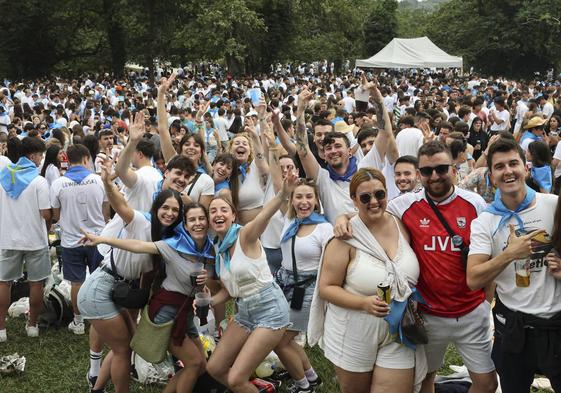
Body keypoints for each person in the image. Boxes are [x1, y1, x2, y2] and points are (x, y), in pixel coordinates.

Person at [386, 141, 497, 393]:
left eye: (441, 168)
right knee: (426, 380)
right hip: (429, 316)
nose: (434, 176)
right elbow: (367, 212)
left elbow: (489, 257)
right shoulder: (403, 206)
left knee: (488, 384)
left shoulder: (476, 204)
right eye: (426, 171)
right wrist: (341, 218)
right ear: (418, 175)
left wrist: (484, 302)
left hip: (472, 313)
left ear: (454, 169)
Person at [81, 199, 214, 393]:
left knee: (201, 364)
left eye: (202, 218)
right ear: (185, 225)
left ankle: (98, 387)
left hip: (184, 312)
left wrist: (205, 287)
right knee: (193, 364)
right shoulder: (173, 245)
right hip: (167, 313)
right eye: (192, 219)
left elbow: (201, 279)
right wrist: (102, 239)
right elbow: (137, 245)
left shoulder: (207, 247)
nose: (198, 223)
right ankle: (97, 385)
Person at [311, 168, 420, 393]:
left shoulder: (400, 223)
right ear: (353, 200)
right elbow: (326, 288)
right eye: (365, 197)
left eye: (379, 194)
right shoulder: (345, 238)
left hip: (398, 328)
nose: (374, 201)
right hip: (354, 331)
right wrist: (364, 303)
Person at [467, 137, 561, 393]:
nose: (508, 171)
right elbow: (473, 278)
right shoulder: (485, 221)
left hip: (555, 324)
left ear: (525, 168)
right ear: (492, 176)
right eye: (499, 167)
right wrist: (509, 254)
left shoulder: (553, 206)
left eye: (513, 163)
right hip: (513, 329)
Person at [77, 163, 173, 393]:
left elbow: (147, 276)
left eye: (174, 210)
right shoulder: (141, 220)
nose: (169, 213)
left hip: (117, 288)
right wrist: (107, 183)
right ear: (156, 208)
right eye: (165, 208)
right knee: (122, 349)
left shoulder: (166, 239)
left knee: (126, 345)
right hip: (99, 288)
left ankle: (97, 388)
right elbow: (120, 205)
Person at [205, 174, 297, 393]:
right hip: (244, 311)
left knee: (236, 378)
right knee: (214, 368)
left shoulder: (244, 235)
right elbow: (229, 291)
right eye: (213, 211)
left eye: (223, 210)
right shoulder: (220, 249)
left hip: (270, 310)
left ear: (233, 216)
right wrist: (209, 301)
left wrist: (283, 194)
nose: (218, 214)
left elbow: (263, 217)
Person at [274, 178, 332, 392]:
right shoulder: (290, 220)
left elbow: (332, 265)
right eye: (299, 196)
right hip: (283, 284)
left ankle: (303, 386)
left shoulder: (324, 228)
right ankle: (311, 377)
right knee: (287, 340)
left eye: (309, 196)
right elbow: (275, 182)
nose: (304, 201)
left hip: (306, 290)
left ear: (316, 200)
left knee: (280, 341)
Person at [50, 144, 110, 335]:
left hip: (71, 241)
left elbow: (56, 215)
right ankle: (101, 318)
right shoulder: (98, 180)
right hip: (97, 239)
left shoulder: (58, 183)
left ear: (67, 159)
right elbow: (106, 211)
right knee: (100, 280)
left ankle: (78, 321)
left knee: (77, 283)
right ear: (86, 159)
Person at [0, 137, 51, 342]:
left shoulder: (3, 178)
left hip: (7, 238)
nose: (41, 160)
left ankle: (1, 328)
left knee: (4, 283)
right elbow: (46, 214)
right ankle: (32, 325)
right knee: (36, 283)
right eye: (40, 155)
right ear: (32, 155)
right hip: (35, 240)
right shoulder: (39, 181)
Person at [114, 112, 162, 212]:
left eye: (132, 153)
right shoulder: (158, 175)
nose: (130, 158)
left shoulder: (141, 176)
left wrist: (133, 141)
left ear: (140, 154)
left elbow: (120, 170)